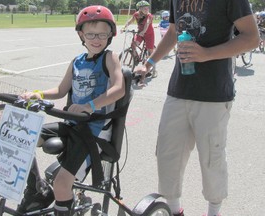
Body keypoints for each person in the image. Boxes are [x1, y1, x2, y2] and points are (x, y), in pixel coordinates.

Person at [135, 1, 259, 216]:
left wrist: (206, 54)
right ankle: (174, 211)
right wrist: (148, 64)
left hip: (214, 93)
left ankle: (213, 212)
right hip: (179, 89)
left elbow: (251, 38)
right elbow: (173, 32)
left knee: (212, 157)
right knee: (168, 154)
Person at [16, 5, 125, 216]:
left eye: (103, 34)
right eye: (91, 34)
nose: (97, 39)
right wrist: (38, 94)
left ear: (110, 35)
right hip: (71, 124)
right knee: (23, 137)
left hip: (93, 131)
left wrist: (89, 106)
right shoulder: (76, 61)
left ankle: (62, 205)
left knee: (62, 183)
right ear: (81, 35)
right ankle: (36, 189)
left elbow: (119, 89)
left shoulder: (110, 58)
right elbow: (60, 90)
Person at [122, 0, 157, 82]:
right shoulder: (136, 15)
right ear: (140, 8)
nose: (147, 9)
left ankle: (154, 69)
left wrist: (143, 32)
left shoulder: (149, 16)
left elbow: (147, 24)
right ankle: (136, 58)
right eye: (145, 8)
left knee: (150, 51)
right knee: (133, 44)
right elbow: (130, 21)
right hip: (140, 33)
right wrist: (124, 27)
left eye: (147, 8)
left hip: (149, 34)